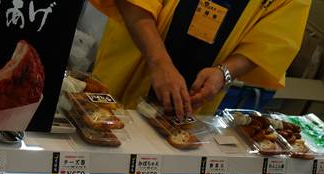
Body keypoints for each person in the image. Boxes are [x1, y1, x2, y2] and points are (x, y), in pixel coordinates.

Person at [88, 0, 311, 118]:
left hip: (194, 100)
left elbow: (273, 42)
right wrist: (159, 62)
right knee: (98, 123)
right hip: (131, 63)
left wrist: (223, 73)